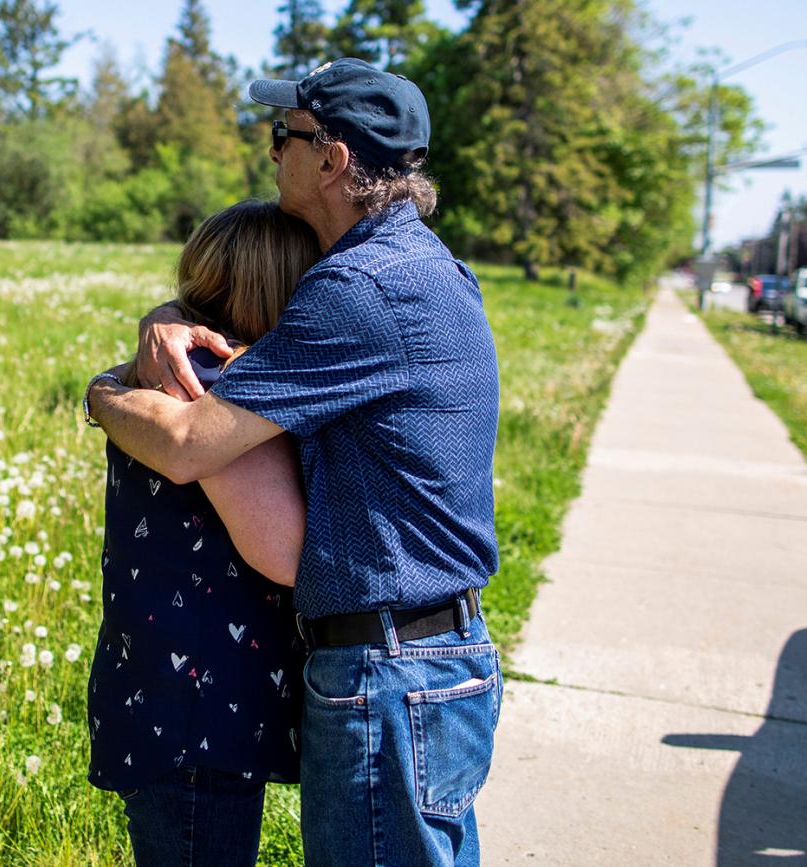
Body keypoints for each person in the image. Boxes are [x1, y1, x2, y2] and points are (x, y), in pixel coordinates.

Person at [86, 58, 503, 867]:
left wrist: (101, 392)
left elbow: (184, 443)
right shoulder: (428, 266)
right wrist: (170, 316)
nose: (272, 152)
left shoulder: (359, 289)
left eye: (286, 136)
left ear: (333, 160)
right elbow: (240, 311)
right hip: (427, 657)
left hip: (389, 671)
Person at [83, 201, 320, 866]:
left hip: (166, 689)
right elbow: (283, 554)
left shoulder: (161, 369)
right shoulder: (216, 388)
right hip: (199, 705)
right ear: (283, 287)